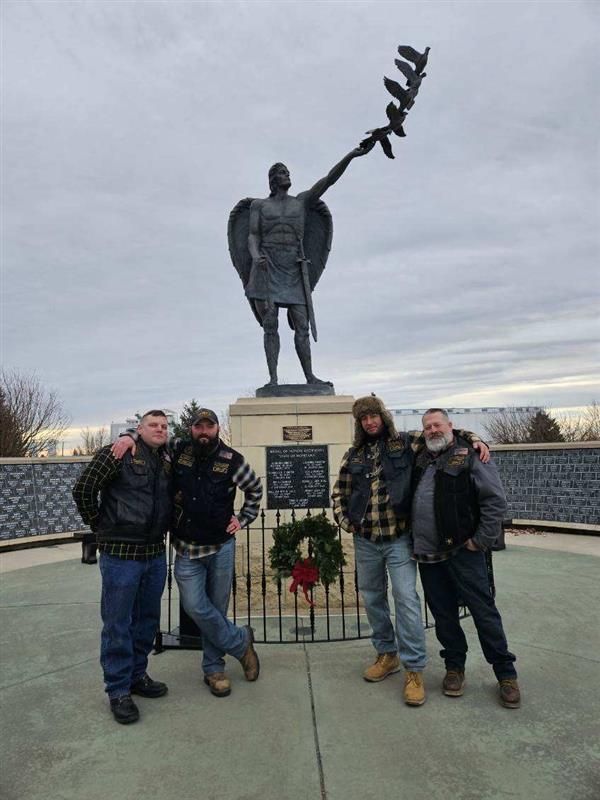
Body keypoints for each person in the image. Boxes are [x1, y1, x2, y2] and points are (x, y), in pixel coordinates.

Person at [332, 395, 489, 707]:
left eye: (373, 416)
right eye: (364, 419)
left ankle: (414, 669)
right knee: (374, 599)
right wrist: (347, 523)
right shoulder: (355, 454)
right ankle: (386, 654)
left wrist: (475, 438)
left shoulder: (405, 442)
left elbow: (443, 436)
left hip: (398, 538)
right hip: (366, 540)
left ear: (383, 417)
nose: (369, 422)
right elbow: (340, 492)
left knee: (406, 599)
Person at [113, 408, 263, 698]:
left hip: (220, 547)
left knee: (215, 611)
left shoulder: (233, 460)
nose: (203, 432)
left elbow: (255, 490)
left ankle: (214, 670)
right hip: (186, 549)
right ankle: (241, 643)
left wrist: (242, 518)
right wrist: (128, 437)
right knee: (196, 607)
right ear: (191, 429)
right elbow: (149, 438)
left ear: (217, 429)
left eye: (209, 426)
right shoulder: (177, 450)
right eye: (198, 427)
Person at [229, 143, 374, 387]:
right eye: (283, 172)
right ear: (273, 179)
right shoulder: (259, 206)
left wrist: (351, 155)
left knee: (302, 325)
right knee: (270, 324)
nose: (288, 176)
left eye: (288, 172)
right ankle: (273, 380)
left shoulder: (302, 202)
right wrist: (255, 256)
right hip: (266, 266)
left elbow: (328, 180)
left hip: (294, 268)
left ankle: (310, 376)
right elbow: (252, 235)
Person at [412, 408, 520, 708]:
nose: (432, 430)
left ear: (451, 426)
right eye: (427, 426)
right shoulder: (419, 456)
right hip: (429, 554)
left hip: (463, 551)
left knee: (483, 613)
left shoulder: (470, 454)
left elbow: (494, 500)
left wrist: (481, 540)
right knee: (444, 615)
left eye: (437, 424)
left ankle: (506, 674)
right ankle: (454, 669)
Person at [72, 410, 171, 724]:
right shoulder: (115, 453)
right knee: (117, 623)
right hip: (121, 553)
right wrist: (99, 524)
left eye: (164, 426)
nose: (159, 429)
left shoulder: (166, 459)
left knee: (146, 620)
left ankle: (136, 676)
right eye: (152, 425)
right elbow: (83, 489)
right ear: (139, 429)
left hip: (154, 552)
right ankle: (117, 690)